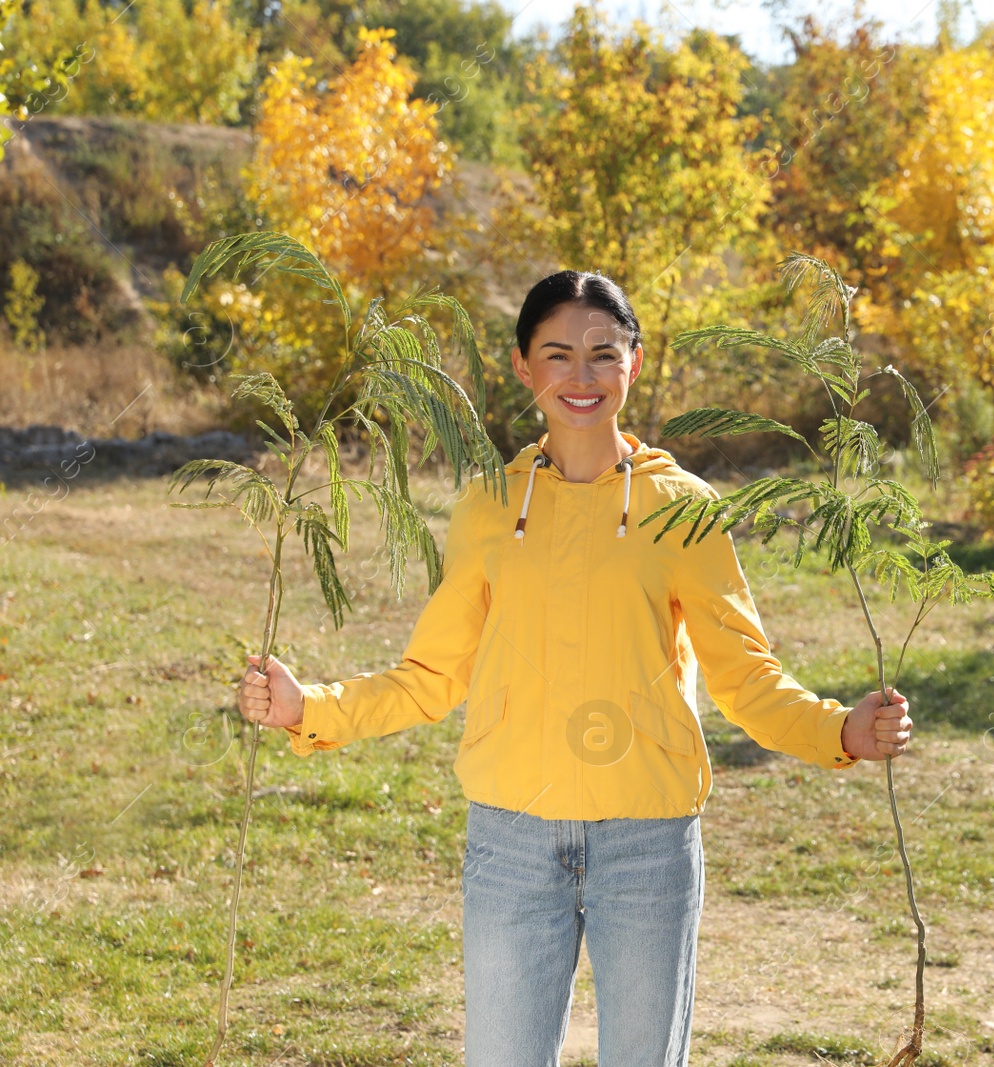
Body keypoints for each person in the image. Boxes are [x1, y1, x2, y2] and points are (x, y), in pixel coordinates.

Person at [236, 269, 914, 1067]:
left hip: (648, 845)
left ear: (634, 361)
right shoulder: (489, 506)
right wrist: (304, 706)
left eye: (603, 353)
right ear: (524, 366)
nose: (581, 376)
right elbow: (431, 675)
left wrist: (839, 728)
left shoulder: (684, 508)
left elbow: (745, 676)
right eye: (558, 354)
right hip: (511, 845)